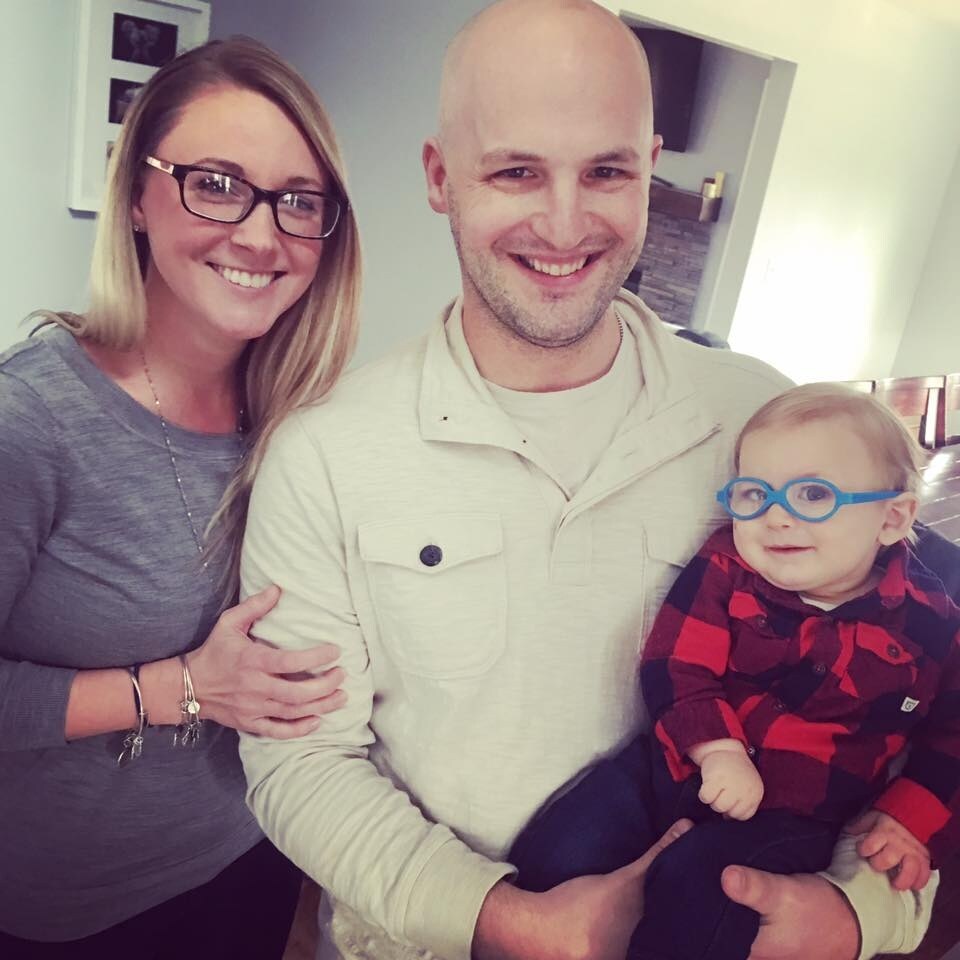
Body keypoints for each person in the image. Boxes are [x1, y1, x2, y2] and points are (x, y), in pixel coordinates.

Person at [237, 2, 935, 958]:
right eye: (516, 170)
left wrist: (860, 919)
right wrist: (509, 921)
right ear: (442, 178)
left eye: (606, 171)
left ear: (650, 167)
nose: (564, 224)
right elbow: (300, 764)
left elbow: (913, 693)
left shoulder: (764, 427)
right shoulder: (325, 451)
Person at [0, 37, 359, 958]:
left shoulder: (303, 420)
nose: (258, 233)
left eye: (297, 201)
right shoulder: (28, 420)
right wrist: (183, 688)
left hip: (253, 856)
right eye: (216, 183)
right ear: (136, 196)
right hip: (72, 913)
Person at [508, 384, 960, 960]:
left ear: (892, 518)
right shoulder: (725, 566)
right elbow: (674, 661)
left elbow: (952, 732)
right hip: (667, 772)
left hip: (793, 812)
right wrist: (716, 748)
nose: (776, 518)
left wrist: (909, 817)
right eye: (754, 493)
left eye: (814, 495)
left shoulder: (933, 622)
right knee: (562, 844)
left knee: (708, 897)